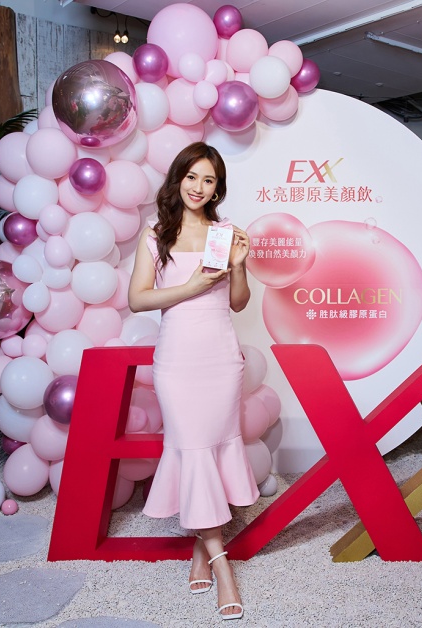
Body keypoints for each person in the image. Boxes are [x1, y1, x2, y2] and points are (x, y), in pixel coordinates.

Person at [129, 142, 257, 621]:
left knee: (213, 447)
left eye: (209, 180)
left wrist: (238, 266)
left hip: (220, 358)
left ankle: (202, 553)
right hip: (177, 361)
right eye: (192, 177)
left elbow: (237, 303)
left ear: (217, 188)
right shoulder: (156, 233)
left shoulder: (224, 234)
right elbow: (138, 299)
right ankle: (223, 567)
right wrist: (190, 287)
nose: (199, 187)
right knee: (192, 447)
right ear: (178, 179)